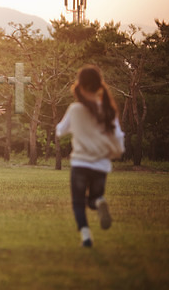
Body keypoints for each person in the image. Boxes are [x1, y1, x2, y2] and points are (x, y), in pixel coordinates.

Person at [56, 65, 125, 248]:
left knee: (78, 202)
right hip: (101, 164)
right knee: (94, 200)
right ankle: (99, 201)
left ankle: (86, 237)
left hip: (80, 163)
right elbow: (118, 135)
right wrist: (118, 151)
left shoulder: (75, 109)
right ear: (99, 85)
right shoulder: (108, 110)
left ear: (79, 85)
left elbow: (60, 131)